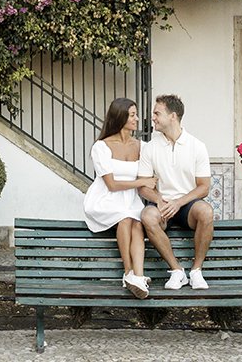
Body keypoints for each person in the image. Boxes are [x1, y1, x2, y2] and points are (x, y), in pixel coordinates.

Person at [136, 94, 214, 290]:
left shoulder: (197, 146)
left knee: (206, 212)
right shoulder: (150, 148)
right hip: (163, 205)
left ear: (173, 116)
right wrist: (159, 199)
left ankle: (196, 272)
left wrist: (179, 202)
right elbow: (143, 186)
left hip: (188, 206)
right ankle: (177, 271)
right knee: (147, 215)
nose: (152, 117)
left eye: (157, 113)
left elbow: (204, 186)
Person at [83, 97, 157, 297]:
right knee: (125, 218)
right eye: (132, 115)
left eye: (135, 114)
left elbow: (153, 172)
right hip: (106, 198)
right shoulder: (102, 146)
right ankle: (128, 273)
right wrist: (142, 182)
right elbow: (111, 184)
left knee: (137, 223)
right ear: (120, 117)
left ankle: (138, 276)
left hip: (130, 199)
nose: (137, 119)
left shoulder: (141, 146)